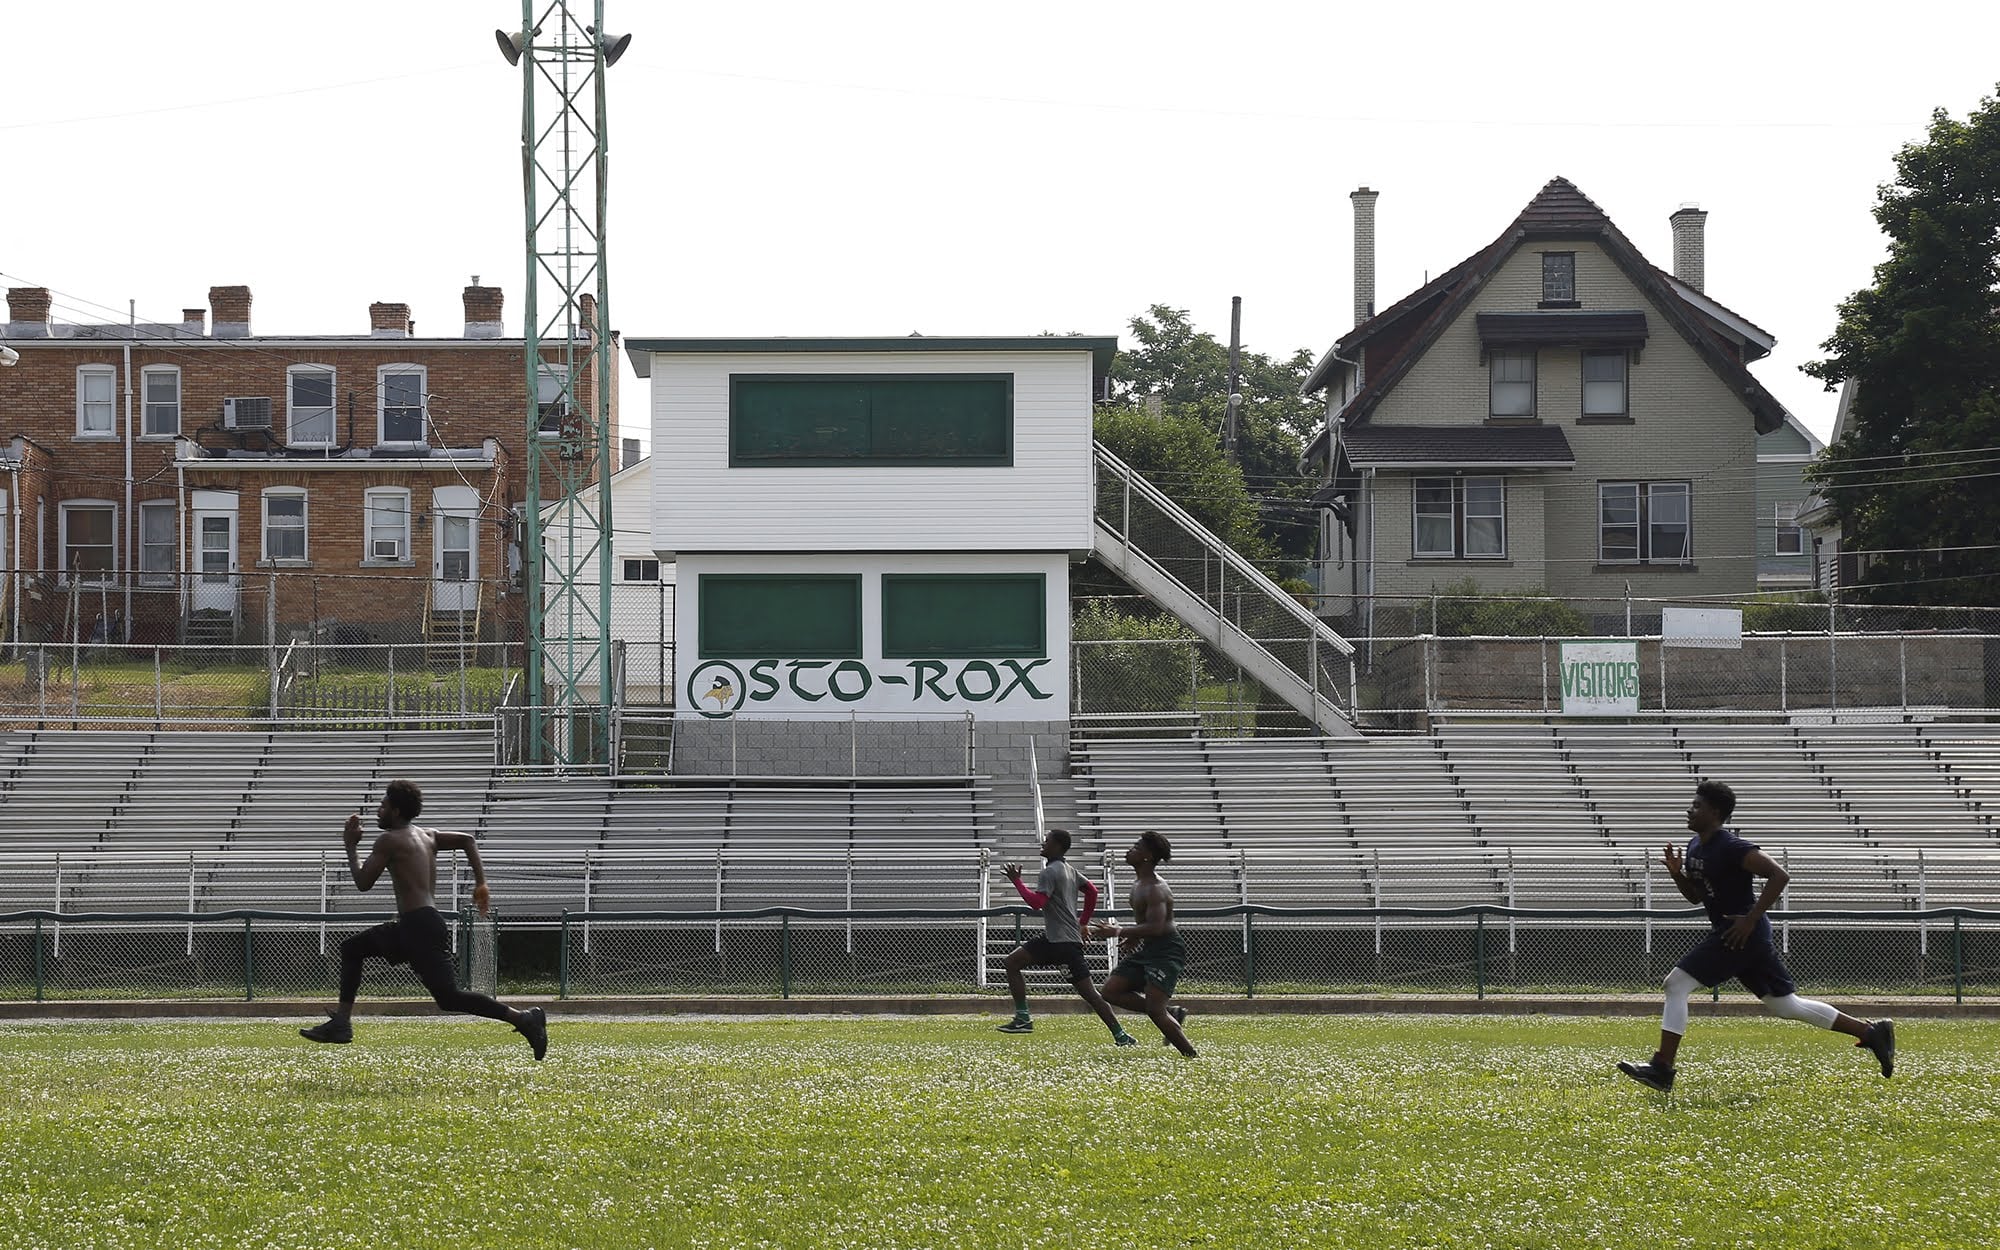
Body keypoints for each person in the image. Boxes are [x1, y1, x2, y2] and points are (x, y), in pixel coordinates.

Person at [1617, 779, 1893, 1092]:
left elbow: (1779, 875)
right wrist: (1677, 874)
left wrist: (1750, 919)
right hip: (1743, 934)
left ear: (1716, 813)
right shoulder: (1695, 846)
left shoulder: (1731, 846)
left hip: (1741, 932)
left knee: (1676, 983)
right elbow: (1696, 897)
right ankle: (1871, 1032)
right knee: (1785, 1006)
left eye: (1697, 806)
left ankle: (1662, 1068)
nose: (1689, 810)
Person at [301, 779, 548, 1060]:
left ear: (395, 811)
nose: (378, 811)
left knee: (351, 949)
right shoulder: (428, 835)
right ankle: (524, 1019)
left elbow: (362, 882)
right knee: (449, 998)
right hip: (429, 922)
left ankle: (342, 1024)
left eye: (383, 806)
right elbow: (468, 840)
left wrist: (350, 846)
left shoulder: (389, 840)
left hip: (415, 925)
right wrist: (481, 883)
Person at [996, 827, 1136, 1046]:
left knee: (1089, 993)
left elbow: (1036, 904)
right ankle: (1120, 1035)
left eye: (1047, 841)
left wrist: (1017, 881)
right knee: (1012, 962)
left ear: (1058, 846)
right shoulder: (1069, 869)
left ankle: (1121, 1035)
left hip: (1061, 943)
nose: (1043, 843)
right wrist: (1082, 923)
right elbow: (1092, 891)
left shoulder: (1049, 872)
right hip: (1059, 939)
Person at [1089, 830, 1197, 1057]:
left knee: (1154, 1011)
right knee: (1110, 990)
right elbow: (1149, 921)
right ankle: (1172, 1012)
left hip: (1166, 950)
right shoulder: (1139, 882)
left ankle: (1191, 1056)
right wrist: (1136, 936)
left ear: (1147, 856)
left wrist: (1118, 931)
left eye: (1136, 848)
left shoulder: (1155, 888)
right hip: (1150, 948)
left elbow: (1158, 926)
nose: (1130, 851)